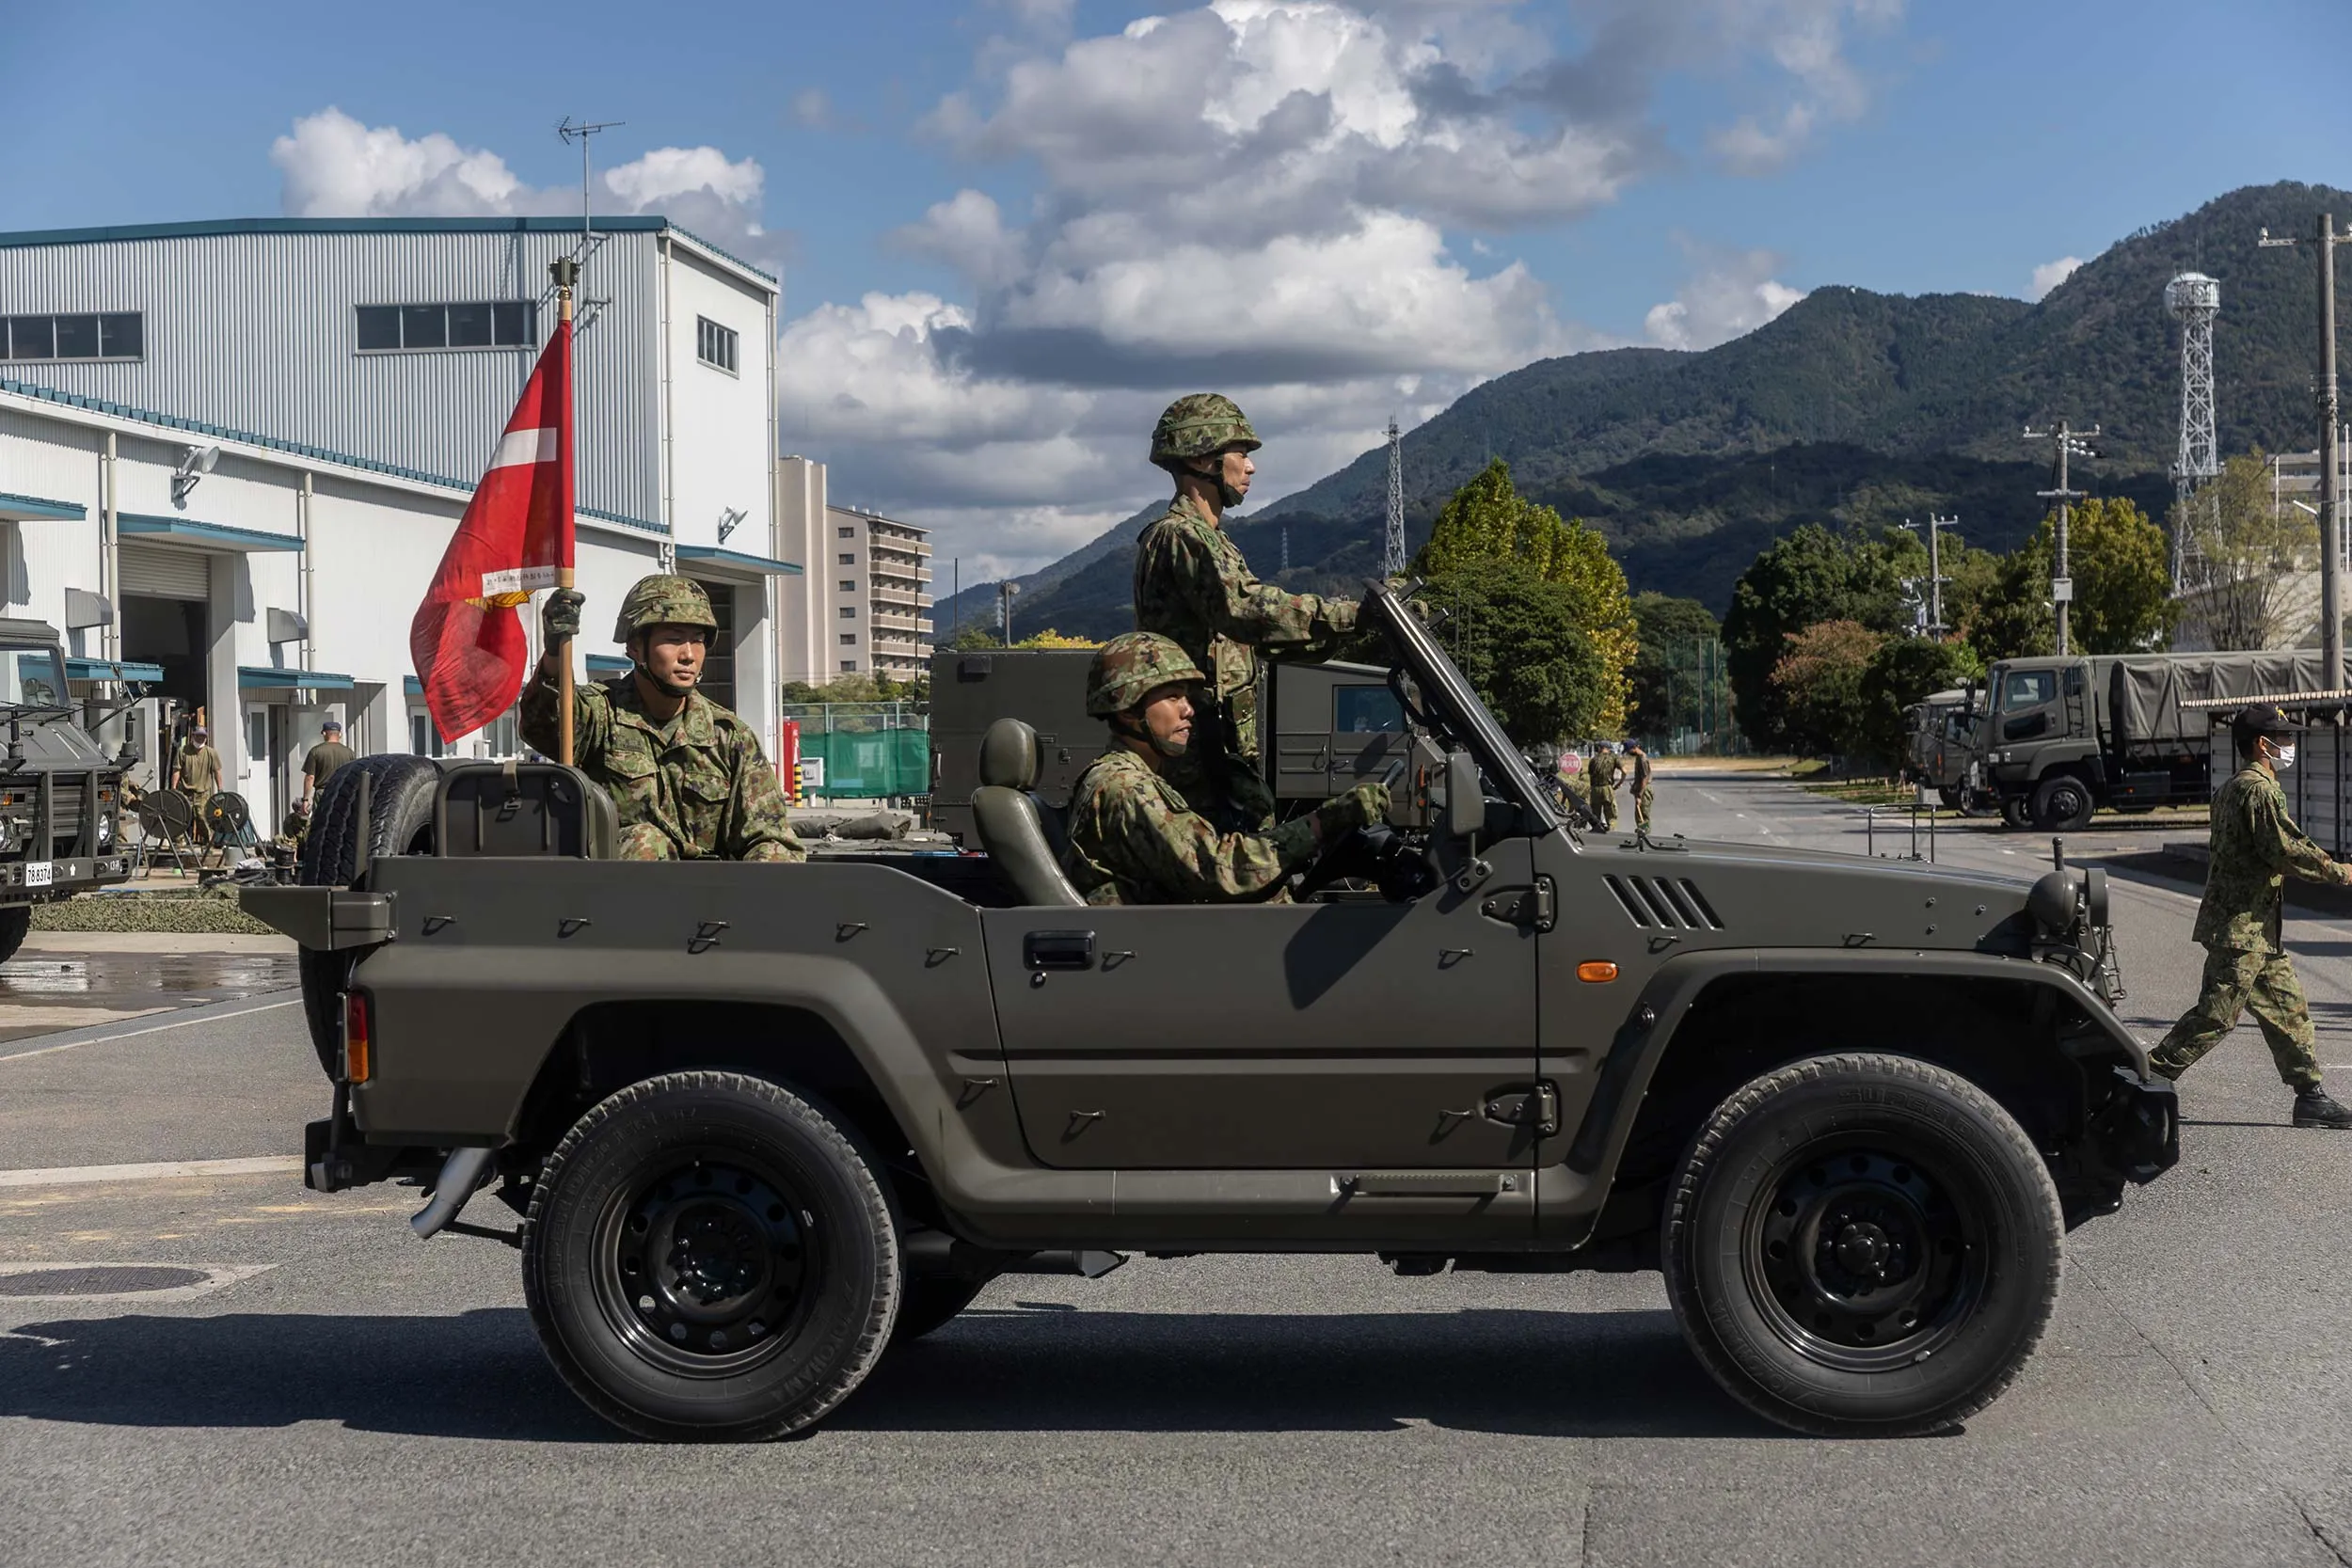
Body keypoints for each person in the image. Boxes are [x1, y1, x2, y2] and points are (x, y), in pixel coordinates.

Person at [1132, 393, 1366, 832]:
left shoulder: (1208, 539)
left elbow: (1256, 638)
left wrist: (1352, 628)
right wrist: (1352, 615)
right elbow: (1246, 609)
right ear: (1203, 460)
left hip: (1218, 751)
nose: (1251, 467)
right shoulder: (1183, 536)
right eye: (1240, 454)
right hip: (1200, 756)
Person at [1061, 632, 1388, 906]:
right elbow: (1220, 868)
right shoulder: (1126, 788)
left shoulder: (1128, 778)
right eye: (1173, 697)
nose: (1188, 710)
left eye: (1186, 697)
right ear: (1128, 709)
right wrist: (1325, 822)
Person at [2149, 704, 2352, 1128]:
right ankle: (2147, 1075)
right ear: (2264, 744)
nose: (2291, 745)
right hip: (2241, 928)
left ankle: (2309, 1096)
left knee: (2288, 1009)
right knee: (2217, 1015)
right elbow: (2285, 849)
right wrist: (2339, 872)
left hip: (2257, 929)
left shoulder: (2231, 788)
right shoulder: (2259, 790)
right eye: (2285, 737)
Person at [522, 576, 804, 863]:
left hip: (711, 897)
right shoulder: (602, 713)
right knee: (645, 840)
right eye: (673, 639)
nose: (688, 656)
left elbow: (769, 835)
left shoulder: (729, 736)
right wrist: (557, 650)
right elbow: (546, 724)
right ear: (635, 647)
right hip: (619, 893)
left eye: (698, 641)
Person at [299, 717, 356, 816]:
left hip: (323, 793)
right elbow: (354, 775)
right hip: (342, 793)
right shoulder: (349, 753)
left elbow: (310, 777)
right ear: (340, 734)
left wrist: (305, 800)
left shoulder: (316, 751)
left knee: (321, 824)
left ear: (324, 733)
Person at [1587, 744, 1623, 832]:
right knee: (1611, 815)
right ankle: (1611, 831)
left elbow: (1590, 774)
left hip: (1595, 789)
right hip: (1607, 788)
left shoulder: (1593, 759)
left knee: (1595, 814)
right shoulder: (1613, 757)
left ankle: (1596, 831)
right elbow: (1624, 771)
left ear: (1600, 748)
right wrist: (1619, 783)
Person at [1628, 740, 1654, 834]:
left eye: (1629, 750)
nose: (1629, 753)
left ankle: (1645, 835)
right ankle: (1641, 834)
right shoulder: (1638, 758)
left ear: (1634, 748)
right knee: (1638, 816)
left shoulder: (1642, 759)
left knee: (1643, 816)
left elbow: (1644, 778)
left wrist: (1640, 795)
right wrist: (1635, 786)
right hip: (1641, 788)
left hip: (1645, 790)